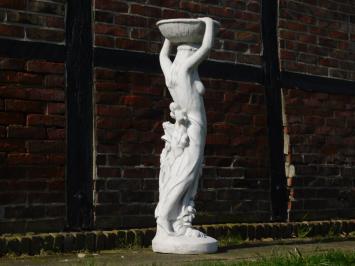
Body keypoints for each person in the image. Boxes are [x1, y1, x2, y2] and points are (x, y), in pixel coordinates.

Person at [155, 17, 215, 238]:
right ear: (190, 56)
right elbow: (207, 47)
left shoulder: (171, 71)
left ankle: (177, 220)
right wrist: (208, 23)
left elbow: (162, 55)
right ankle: (164, 217)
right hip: (194, 127)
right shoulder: (184, 70)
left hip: (188, 126)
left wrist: (168, 40)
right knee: (187, 174)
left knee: (184, 173)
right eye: (193, 52)